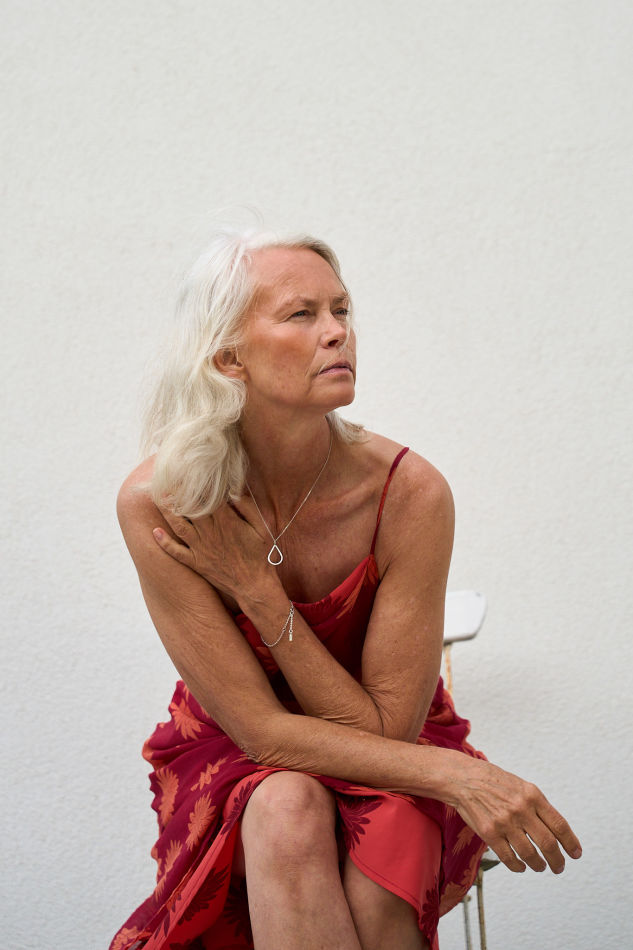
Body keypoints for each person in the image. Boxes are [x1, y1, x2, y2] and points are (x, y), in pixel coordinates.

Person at [110, 230, 581, 950]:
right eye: (301, 315)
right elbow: (262, 732)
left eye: (341, 309)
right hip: (238, 748)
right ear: (228, 357)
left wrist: (260, 594)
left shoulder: (409, 493)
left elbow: (388, 733)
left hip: (396, 742)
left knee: (387, 835)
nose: (337, 332)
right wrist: (460, 778)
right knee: (285, 807)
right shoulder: (162, 504)